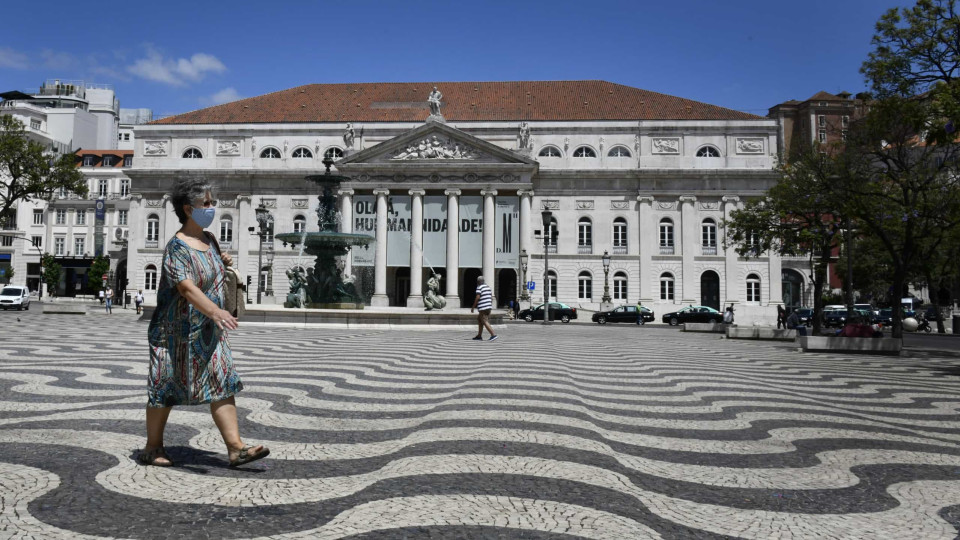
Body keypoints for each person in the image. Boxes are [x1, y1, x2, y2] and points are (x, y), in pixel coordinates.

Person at [141, 178, 269, 468]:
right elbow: (185, 288)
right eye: (207, 204)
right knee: (165, 387)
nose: (212, 207)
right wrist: (215, 311)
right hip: (172, 333)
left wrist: (222, 260)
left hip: (208, 331)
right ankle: (152, 447)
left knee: (222, 382)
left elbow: (211, 272)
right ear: (188, 209)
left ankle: (236, 449)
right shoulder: (177, 246)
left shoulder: (209, 240)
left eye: (212, 202)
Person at [470, 275, 498, 341]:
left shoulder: (479, 287)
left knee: (484, 320)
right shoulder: (488, 287)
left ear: (478, 282)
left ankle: (493, 335)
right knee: (479, 319)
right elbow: (491, 297)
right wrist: (489, 305)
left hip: (483, 307)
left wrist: (473, 307)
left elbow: (477, 297)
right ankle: (479, 336)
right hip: (488, 306)